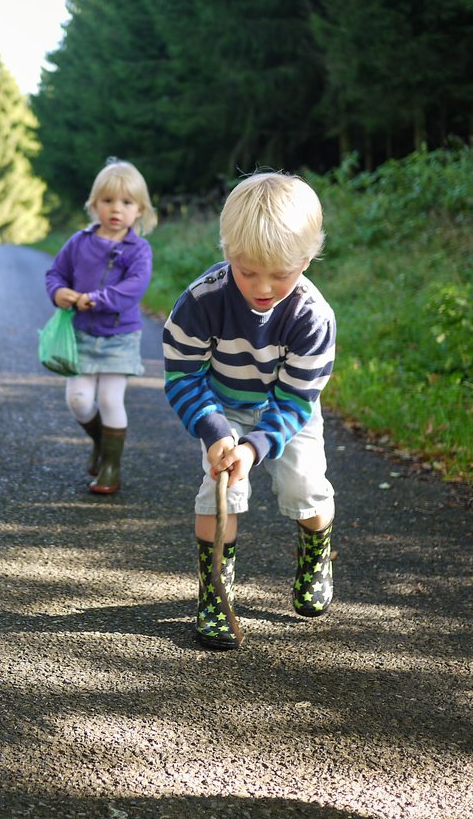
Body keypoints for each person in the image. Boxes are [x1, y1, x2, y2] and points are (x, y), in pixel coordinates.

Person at [161, 172, 336, 650]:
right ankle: (216, 595)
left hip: (286, 412)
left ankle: (315, 554)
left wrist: (258, 446)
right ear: (227, 252)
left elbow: (297, 397)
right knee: (218, 493)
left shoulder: (311, 316)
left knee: (305, 487)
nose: (263, 287)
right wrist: (216, 431)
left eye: (281, 274)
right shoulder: (201, 302)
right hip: (223, 407)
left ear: (308, 257)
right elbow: (183, 375)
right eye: (247, 271)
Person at [45, 159, 156, 494]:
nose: (116, 209)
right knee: (78, 399)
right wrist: (59, 292)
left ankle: (111, 467)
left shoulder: (139, 249)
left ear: (140, 210)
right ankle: (102, 443)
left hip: (119, 337)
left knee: (110, 399)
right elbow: (56, 274)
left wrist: (97, 299)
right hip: (80, 334)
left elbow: (135, 286)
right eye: (108, 201)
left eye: (126, 203)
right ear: (94, 205)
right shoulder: (79, 242)